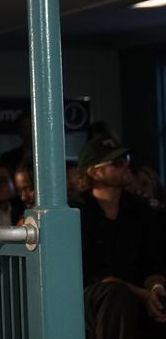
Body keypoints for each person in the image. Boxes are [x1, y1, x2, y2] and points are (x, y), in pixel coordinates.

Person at [77, 135, 166, 339]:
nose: (127, 166)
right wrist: (143, 296)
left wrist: (155, 289)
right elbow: (92, 274)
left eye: (126, 159)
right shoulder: (78, 213)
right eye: (117, 163)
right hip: (98, 298)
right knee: (116, 295)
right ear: (94, 172)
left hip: (138, 292)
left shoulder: (140, 210)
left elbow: (153, 262)